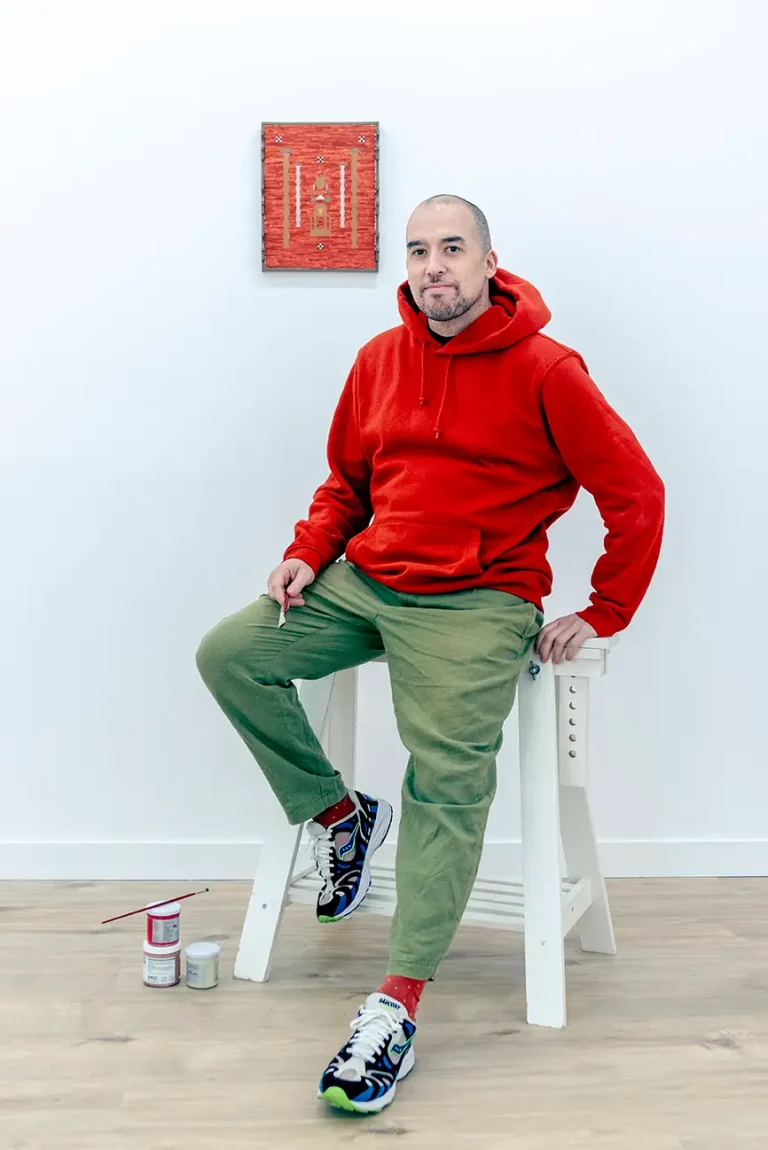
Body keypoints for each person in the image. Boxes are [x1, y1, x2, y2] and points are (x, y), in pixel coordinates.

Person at [196, 194, 665, 1114]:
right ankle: (340, 817)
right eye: (418, 251)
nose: (433, 267)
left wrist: (606, 609)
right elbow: (347, 484)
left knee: (447, 775)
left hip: (481, 597)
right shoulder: (379, 359)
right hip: (367, 579)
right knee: (232, 654)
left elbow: (636, 492)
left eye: (452, 248)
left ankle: (397, 1002)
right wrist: (309, 551)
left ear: (490, 262)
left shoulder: (548, 369)